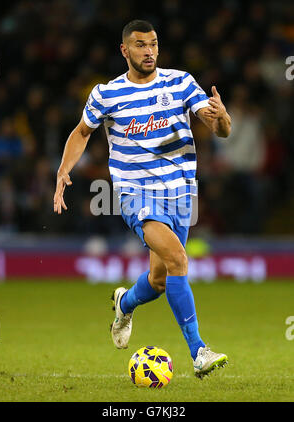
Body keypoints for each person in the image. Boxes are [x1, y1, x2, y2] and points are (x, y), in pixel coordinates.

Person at [53, 20, 231, 379]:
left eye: (153, 44)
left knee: (160, 278)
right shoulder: (107, 94)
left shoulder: (180, 82)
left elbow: (219, 129)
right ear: (125, 50)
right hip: (136, 193)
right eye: (140, 45)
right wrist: (62, 171)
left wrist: (223, 118)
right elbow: (82, 132)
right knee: (179, 259)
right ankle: (199, 352)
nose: (148, 51)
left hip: (180, 193)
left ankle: (124, 303)